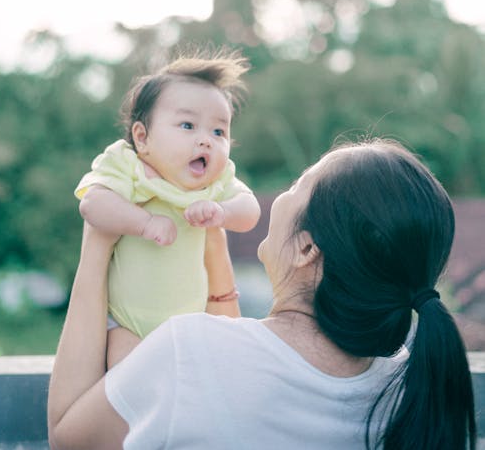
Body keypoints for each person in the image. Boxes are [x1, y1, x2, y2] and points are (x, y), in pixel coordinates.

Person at [48, 138, 476, 450]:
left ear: (308, 248)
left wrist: (98, 240)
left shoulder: (189, 352)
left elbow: (69, 436)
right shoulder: (411, 387)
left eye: (297, 186)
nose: (284, 195)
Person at [75, 50, 261, 366]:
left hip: (190, 323)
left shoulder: (215, 184)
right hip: (125, 324)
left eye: (219, 131)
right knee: (128, 377)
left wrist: (222, 212)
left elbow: (250, 211)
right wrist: (143, 222)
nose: (206, 141)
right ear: (142, 137)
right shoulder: (129, 166)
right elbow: (93, 204)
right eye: (188, 125)